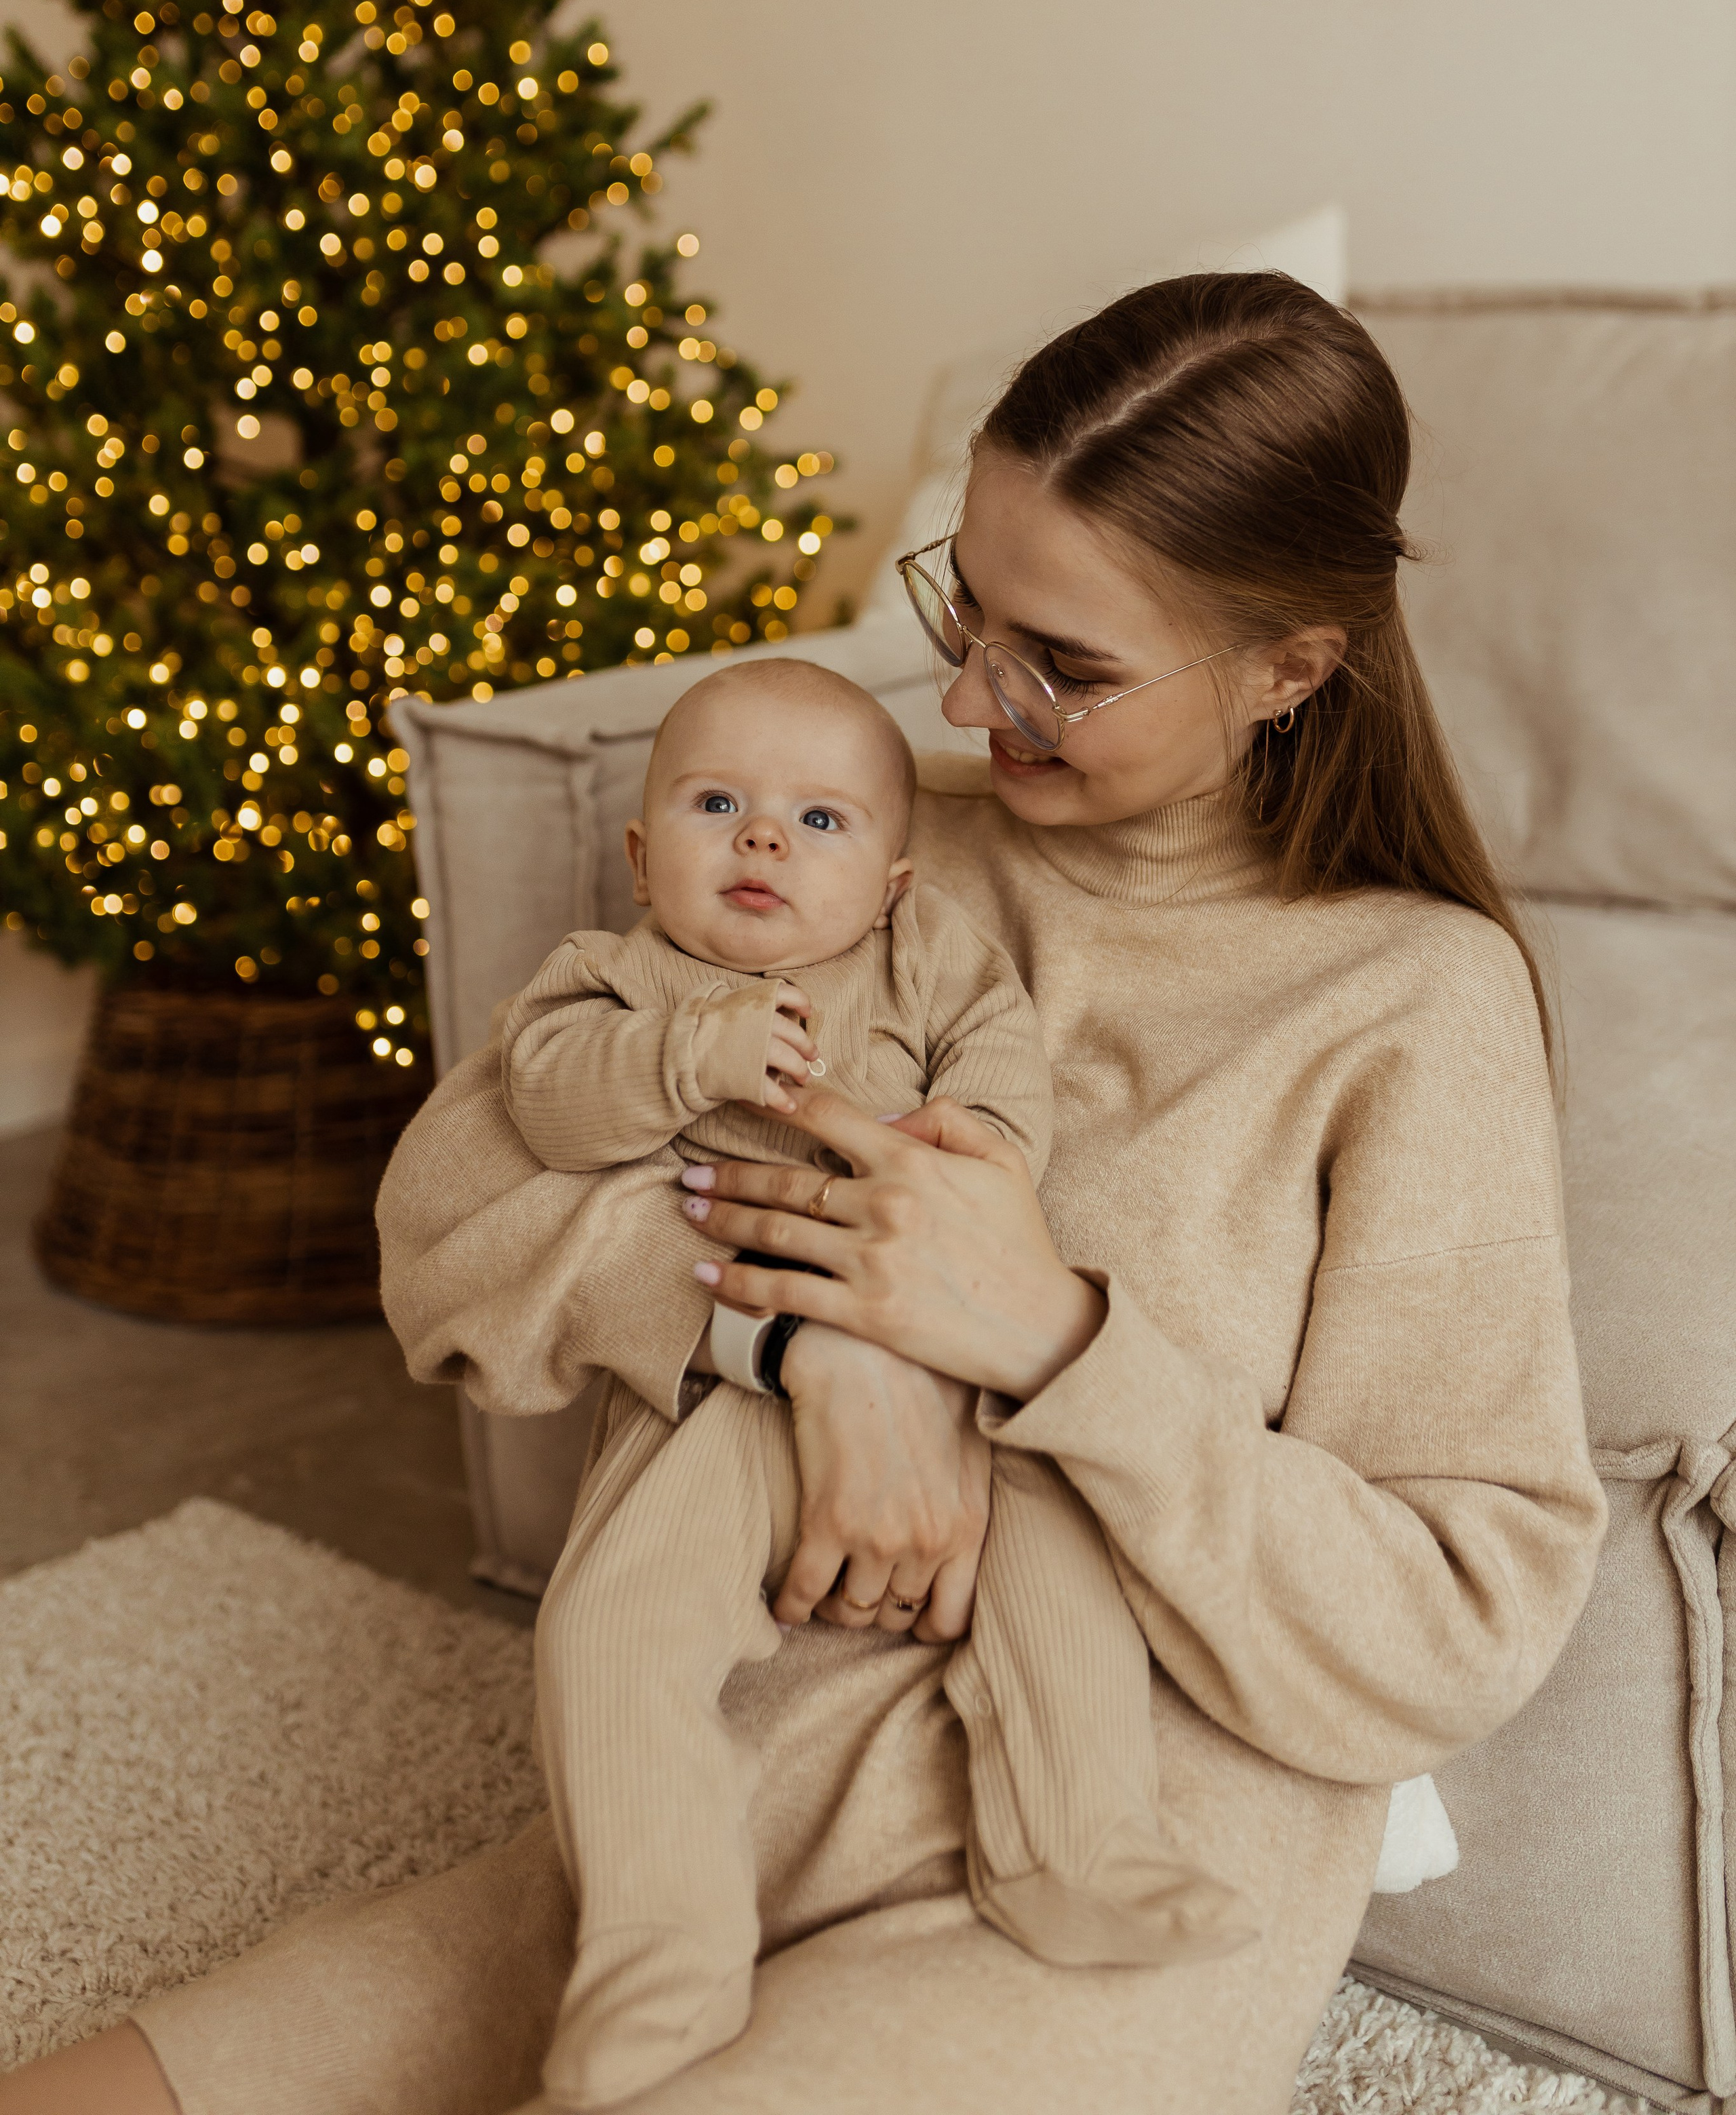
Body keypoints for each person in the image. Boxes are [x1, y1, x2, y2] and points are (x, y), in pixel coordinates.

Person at [3, 271, 1606, 2115]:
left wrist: (1054, 1341)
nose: (963, 694)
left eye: (1060, 666)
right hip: (702, 1805)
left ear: (1289, 671)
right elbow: (452, 1222)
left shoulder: (1411, 1002)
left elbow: (1457, 1618)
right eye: (968, 609)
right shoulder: (855, 848)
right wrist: (796, 1343)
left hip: (1109, 1872)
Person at [486, 655, 1248, 2109]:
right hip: (721, 1393)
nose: (764, 839)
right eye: (718, 805)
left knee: (1059, 1555)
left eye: (819, 821)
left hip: (947, 1362)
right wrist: (676, 1053)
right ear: (645, 858)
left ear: (894, 879)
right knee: (607, 1625)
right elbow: (544, 1101)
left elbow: (1009, 1083)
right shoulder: (618, 979)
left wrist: (966, 1142)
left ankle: (1077, 1845)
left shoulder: (929, 958)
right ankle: (657, 1962)